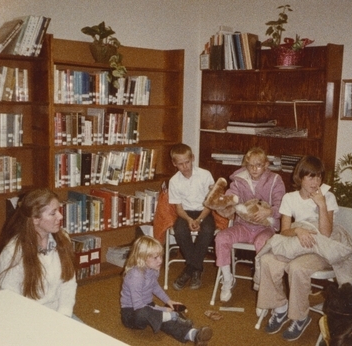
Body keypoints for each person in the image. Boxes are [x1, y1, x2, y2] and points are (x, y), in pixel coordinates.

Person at [255, 155, 352, 341]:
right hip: (298, 242)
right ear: (300, 177)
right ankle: (280, 308)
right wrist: (298, 230)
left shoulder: (327, 197)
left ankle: (301, 317)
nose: (315, 182)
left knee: (297, 267)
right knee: (267, 259)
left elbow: (325, 233)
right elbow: (284, 230)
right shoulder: (289, 198)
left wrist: (322, 205)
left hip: (319, 248)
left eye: (319, 177)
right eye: (310, 177)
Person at [0, 188, 77, 318]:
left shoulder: (63, 239)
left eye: (59, 210)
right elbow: (10, 300)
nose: (60, 216)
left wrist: (64, 315)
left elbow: (68, 284)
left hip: (58, 314)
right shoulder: (13, 253)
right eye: (53, 213)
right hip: (28, 318)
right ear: (35, 219)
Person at [215, 147, 285, 302]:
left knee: (263, 243)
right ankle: (227, 279)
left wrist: (269, 212)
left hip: (265, 227)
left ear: (266, 165)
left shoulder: (275, 180)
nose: (254, 169)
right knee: (221, 238)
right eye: (250, 165)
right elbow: (232, 197)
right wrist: (226, 201)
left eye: (258, 165)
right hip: (244, 225)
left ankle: (261, 281)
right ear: (245, 165)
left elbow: (282, 206)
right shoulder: (239, 179)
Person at [120, 235, 213, 345]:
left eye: (160, 256)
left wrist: (168, 301)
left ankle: (193, 334)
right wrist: (163, 311)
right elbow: (138, 306)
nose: (160, 260)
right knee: (152, 314)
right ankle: (171, 317)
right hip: (132, 313)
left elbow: (155, 287)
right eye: (155, 258)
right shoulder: (136, 277)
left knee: (164, 321)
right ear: (142, 258)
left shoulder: (153, 269)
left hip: (148, 305)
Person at [168, 143, 216, 290]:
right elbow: (179, 208)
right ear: (174, 164)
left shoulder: (205, 175)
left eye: (187, 162)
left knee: (207, 230)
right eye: (180, 164)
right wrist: (189, 220)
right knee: (180, 230)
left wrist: (199, 219)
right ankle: (196, 268)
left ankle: (189, 269)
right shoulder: (174, 181)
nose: (185, 167)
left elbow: (210, 203)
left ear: (192, 158)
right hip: (186, 213)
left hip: (204, 211)